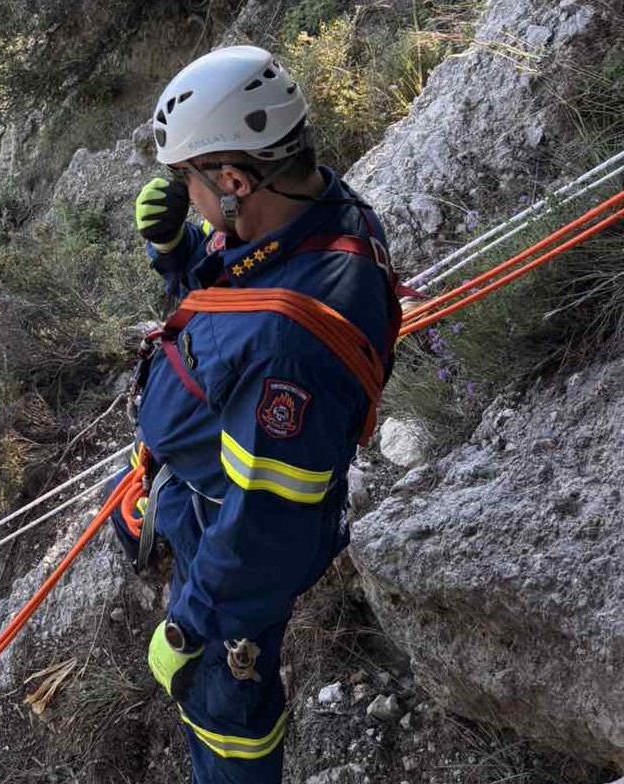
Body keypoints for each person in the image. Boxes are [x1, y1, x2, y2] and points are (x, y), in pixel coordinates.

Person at [113, 45, 402, 783]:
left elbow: (267, 520)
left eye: (192, 182)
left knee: (225, 706)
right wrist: (176, 252)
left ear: (236, 179)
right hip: (201, 488)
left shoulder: (289, 347)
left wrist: (192, 626)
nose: (190, 196)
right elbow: (228, 312)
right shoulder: (313, 213)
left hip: (229, 544)